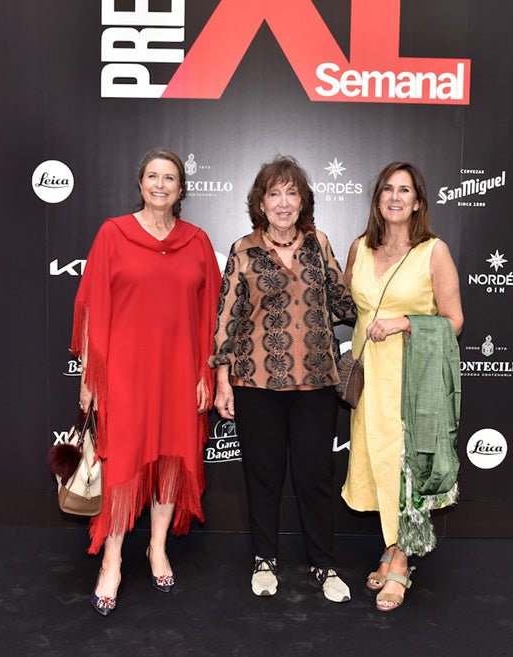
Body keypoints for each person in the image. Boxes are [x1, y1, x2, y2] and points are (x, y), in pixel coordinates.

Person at [71, 147, 221, 616]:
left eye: (170, 178)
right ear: (140, 183)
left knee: (172, 461)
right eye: (152, 176)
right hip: (125, 373)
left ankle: (158, 547)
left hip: (179, 371)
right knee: (123, 465)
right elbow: (93, 307)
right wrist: (90, 377)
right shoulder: (113, 234)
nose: (160, 185)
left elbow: (208, 316)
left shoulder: (197, 241)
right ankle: (112, 561)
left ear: (181, 188)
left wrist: (206, 373)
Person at [211, 156, 356, 603]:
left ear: (303, 201)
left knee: (315, 476)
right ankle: (264, 558)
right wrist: (222, 380)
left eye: (292, 193)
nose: (283, 202)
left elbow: (344, 305)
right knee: (264, 475)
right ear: (260, 202)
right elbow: (227, 320)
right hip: (256, 383)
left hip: (315, 382)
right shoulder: (243, 250)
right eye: (274, 193)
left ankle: (323, 564)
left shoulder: (319, 243)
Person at [341, 161, 464, 612]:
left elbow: (454, 321)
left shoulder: (434, 251)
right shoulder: (359, 247)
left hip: (412, 380)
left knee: (404, 464)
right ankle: (392, 546)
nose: (395, 197)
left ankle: (401, 560)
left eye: (405, 191)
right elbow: (342, 304)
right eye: (387, 189)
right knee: (378, 462)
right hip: (368, 379)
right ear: (378, 199)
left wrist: (404, 323)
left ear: (417, 202)